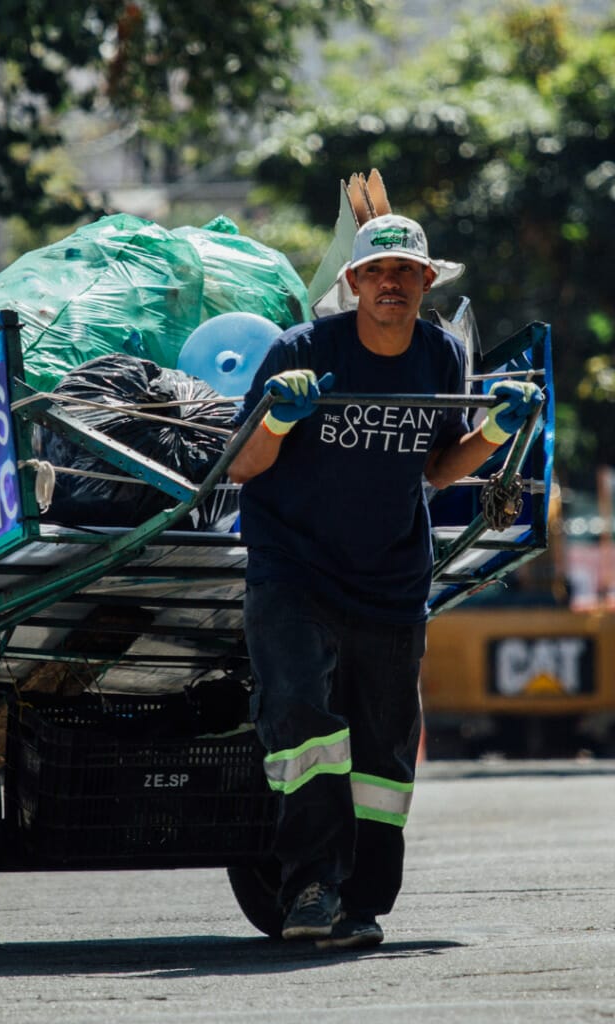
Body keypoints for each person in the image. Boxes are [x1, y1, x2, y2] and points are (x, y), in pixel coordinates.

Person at [227, 213, 543, 949]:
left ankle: (361, 900)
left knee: (383, 753)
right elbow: (242, 468)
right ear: (354, 284)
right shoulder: (301, 351)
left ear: (427, 282)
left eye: (405, 271)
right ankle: (308, 886)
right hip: (296, 571)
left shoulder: (438, 355)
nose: (391, 283)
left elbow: (436, 469)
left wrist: (496, 432)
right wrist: (278, 417)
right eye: (376, 272)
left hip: (391, 581)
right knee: (303, 719)